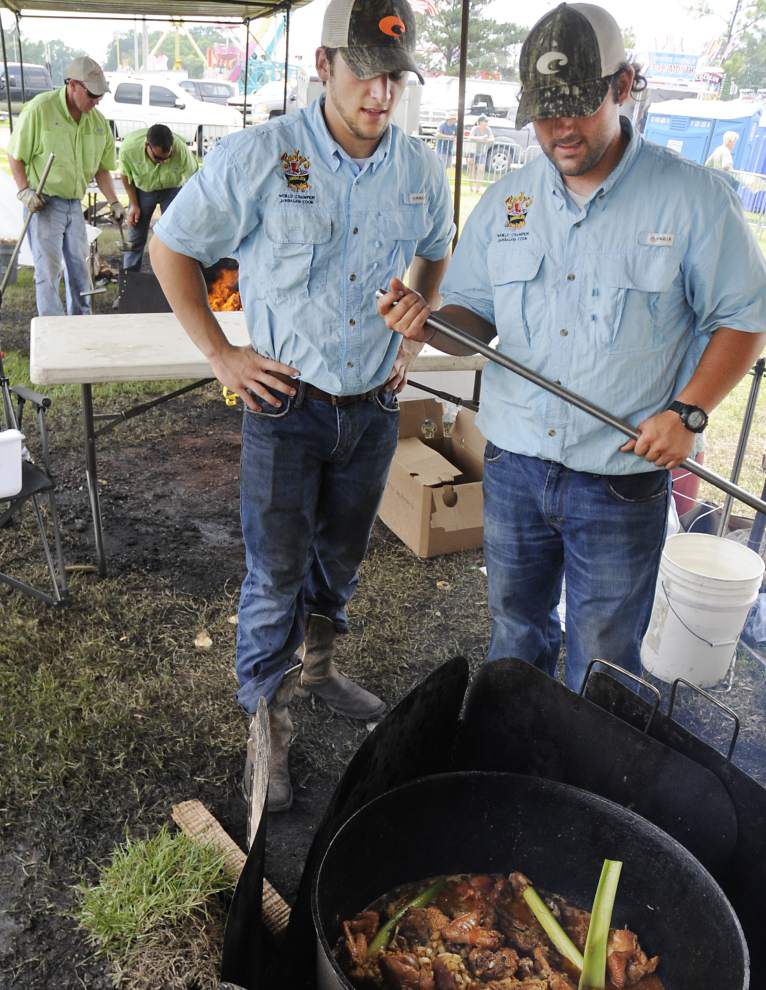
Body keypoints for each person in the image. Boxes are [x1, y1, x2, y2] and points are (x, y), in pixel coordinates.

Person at [379, 2, 766, 693]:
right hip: (515, 465)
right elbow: (476, 316)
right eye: (544, 110)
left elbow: (743, 320)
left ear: (624, 87)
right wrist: (429, 322)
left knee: (604, 657)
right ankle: (515, 749)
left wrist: (690, 413)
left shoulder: (692, 200)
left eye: (579, 106)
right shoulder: (507, 201)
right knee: (515, 630)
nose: (560, 128)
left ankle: (584, 779)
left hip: (618, 477)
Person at [150, 0, 454, 811]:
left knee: (338, 563)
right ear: (323, 67)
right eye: (365, 72)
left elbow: (434, 252)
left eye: (395, 78)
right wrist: (222, 353)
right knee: (275, 573)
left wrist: (412, 343)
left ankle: (317, 673)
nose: (380, 95)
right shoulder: (262, 156)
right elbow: (169, 245)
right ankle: (268, 728)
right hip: (287, 406)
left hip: (373, 409)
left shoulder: (419, 169)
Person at [7, 56, 123, 316]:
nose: (96, 101)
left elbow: (102, 169)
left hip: (73, 205)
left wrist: (114, 201)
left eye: (100, 96)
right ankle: (52, 330)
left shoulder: (97, 122)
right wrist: (24, 190)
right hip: (44, 204)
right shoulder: (40, 109)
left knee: (81, 271)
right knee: (48, 271)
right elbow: (15, 155)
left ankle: (80, 324)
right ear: (72, 85)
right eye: (92, 94)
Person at [119, 124, 198, 272]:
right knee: (136, 235)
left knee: (175, 235)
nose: (162, 162)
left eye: (166, 159)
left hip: (172, 189)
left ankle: (173, 275)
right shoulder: (129, 149)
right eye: (157, 158)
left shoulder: (180, 150)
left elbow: (194, 179)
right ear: (146, 145)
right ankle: (129, 281)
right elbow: (125, 176)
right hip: (143, 190)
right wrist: (134, 205)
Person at [467, 115, 494, 190]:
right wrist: (481, 138)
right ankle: (471, 187)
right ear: (479, 122)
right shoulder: (475, 128)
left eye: (486, 121)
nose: (486, 123)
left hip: (482, 152)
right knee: (471, 169)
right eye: (484, 121)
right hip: (472, 151)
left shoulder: (488, 129)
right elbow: (470, 137)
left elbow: (492, 139)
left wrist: (486, 140)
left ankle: (478, 188)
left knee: (481, 169)